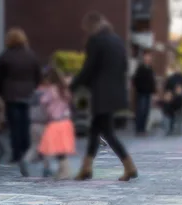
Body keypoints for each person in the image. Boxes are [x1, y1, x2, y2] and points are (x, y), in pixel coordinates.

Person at [71, 12, 138, 182]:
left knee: (106, 132)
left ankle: (129, 166)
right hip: (115, 92)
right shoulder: (116, 40)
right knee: (95, 129)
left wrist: (73, 86)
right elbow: (124, 66)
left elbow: (89, 68)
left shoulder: (96, 40)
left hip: (101, 93)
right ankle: (86, 167)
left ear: (91, 25)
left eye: (86, 28)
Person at [0, 28, 42, 164]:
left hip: (11, 95)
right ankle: (27, 152)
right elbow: (38, 76)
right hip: (28, 94)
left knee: (14, 127)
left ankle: (16, 154)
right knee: (26, 125)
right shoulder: (31, 55)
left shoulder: (5, 56)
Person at [38, 68, 77, 180]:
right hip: (66, 122)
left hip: (55, 122)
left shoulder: (51, 90)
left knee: (56, 149)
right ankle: (63, 170)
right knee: (60, 149)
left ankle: (65, 171)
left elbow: (43, 101)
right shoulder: (64, 89)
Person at [20, 84, 50, 177]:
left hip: (33, 124)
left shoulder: (33, 97)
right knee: (46, 147)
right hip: (43, 124)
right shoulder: (46, 97)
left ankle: (25, 160)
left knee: (34, 146)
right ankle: (46, 168)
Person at [132, 51, 157, 135]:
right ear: (144, 58)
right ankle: (139, 129)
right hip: (141, 93)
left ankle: (143, 129)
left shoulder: (150, 69)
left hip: (148, 93)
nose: (148, 58)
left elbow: (152, 82)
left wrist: (153, 92)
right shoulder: (140, 68)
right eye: (146, 57)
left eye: (149, 57)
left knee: (146, 111)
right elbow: (135, 80)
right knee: (140, 111)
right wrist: (140, 88)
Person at [163, 66, 182, 135]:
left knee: (179, 114)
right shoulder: (171, 78)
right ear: (175, 69)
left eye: (179, 68)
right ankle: (170, 129)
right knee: (170, 113)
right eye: (177, 68)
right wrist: (169, 94)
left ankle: (178, 129)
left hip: (180, 99)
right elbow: (166, 88)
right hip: (172, 98)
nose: (178, 69)